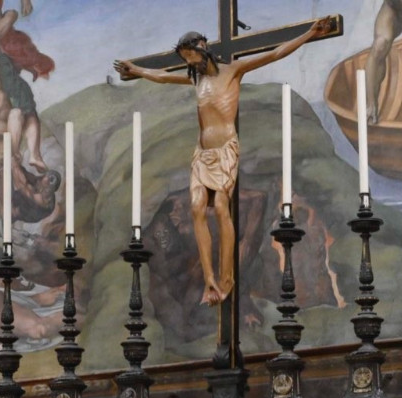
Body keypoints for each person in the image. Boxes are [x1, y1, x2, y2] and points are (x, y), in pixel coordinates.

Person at [113, 18, 333, 306]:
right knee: (195, 208)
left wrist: (309, 34)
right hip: (201, 153)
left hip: (225, 151)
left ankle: (227, 277)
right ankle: (209, 280)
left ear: (203, 48)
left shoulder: (233, 71)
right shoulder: (196, 80)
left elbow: (274, 54)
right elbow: (163, 77)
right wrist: (137, 70)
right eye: (185, 60)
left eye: (190, 57)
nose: (189, 64)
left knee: (219, 206)